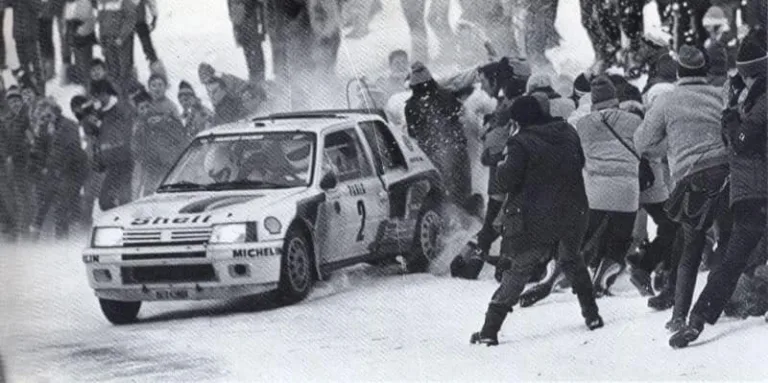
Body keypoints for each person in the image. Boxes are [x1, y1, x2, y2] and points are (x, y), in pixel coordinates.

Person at [470, 95, 603, 346]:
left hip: (535, 216)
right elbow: (580, 161)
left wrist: (500, 163)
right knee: (572, 260)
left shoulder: (520, 142)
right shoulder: (567, 131)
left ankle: (489, 330)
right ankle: (592, 315)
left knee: (519, 268)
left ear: (518, 120)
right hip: (574, 210)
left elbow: (506, 181)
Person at [668, 29, 767, 349]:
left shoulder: (762, 101)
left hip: (755, 189)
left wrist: (730, 119)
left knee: (734, 258)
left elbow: (742, 141)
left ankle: (697, 320)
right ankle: (698, 318)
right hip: (752, 189)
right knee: (735, 257)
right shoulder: (752, 97)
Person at [634, 44, 732, 332]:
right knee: (727, 240)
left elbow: (643, 142)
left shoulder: (667, 101)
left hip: (692, 179)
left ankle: (679, 315)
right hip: (725, 175)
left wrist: (670, 146)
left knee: (691, 246)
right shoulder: (718, 96)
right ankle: (716, 302)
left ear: (678, 72)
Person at [404, 61, 472, 211]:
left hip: (432, 158)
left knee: (441, 195)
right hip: (458, 152)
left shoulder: (411, 106)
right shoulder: (448, 96)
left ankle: (448, 224)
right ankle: (470, 221)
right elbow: (461, 117)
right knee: (462, 192)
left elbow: (412, 133)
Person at [29, 98, 88, 239]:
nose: (46, 119)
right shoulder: (45, 128)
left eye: (48, 115)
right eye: (42, 117)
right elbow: (38, 152)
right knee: (44, 203)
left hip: (74, 170)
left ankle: (65, 240)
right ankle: (37, 237)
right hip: (56, 171)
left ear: (55, 111)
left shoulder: (69, 125)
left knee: (62, 204)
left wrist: (52, 169)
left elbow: (68, 151)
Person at [84, 79, 136, 211]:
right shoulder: (98, 112)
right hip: (110, 164)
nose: (97, 99)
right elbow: (91, 133)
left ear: (107, 93)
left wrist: (100, 124)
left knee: (125, 200)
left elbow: (122, 133)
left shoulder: (120, 108)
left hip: (124, 160)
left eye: (100, 95)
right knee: (104, 201)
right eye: (94, 96)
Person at [131, 89, 187, 197]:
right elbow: (136, 148)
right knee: (149, 195)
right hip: (151, 168)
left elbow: (180, 137)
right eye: (142, 108)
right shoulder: (139, 128)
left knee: (169, 194)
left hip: (169, 165)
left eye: (148, 106)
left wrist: (163, 123)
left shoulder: (166, 118)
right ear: (137, 111)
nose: (146, 110)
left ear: (152, 105)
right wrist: (143, 158)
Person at [1, 86, 33, 240]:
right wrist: (7, 156)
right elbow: (3, 142)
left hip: (28, 162)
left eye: (17, 101)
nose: (15, 104)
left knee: (27, 196)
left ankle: (26, 229)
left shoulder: (27, 116)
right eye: (12, 101)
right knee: (13, 196)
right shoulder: (5, 121)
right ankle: (16, 227)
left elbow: (31, 133)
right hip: (12, 164)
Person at [97, 0, 139, 94]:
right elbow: (101, 23)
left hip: (122, 41)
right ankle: (116, 91)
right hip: (108, 40)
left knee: (124, 66)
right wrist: (102, 42)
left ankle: (127, 91)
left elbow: (130, 19)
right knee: (111, 66)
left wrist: (122, 37)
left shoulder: (125, 2)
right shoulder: (103, 3)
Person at [8, 0, 45, 95]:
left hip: (31, 35)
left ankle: (41, 92)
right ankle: (28, 91)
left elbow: (40, 8)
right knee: (23, 66)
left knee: (36, 65)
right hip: (18, 34)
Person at [228, 0, 266, 84]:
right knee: (248, 51)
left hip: (252, 17)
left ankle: (259, 80)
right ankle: (254, 79)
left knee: (255, 50)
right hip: (239, 18)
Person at [63, 0, 98, 86]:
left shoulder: (84, 2)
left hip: (83, 34)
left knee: (85, 62)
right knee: (79, 59)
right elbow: (67, 19)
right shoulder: (69, 4)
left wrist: (81, 31)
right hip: (73, 32)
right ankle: (83, 82)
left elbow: (91, 19)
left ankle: (89, 85)